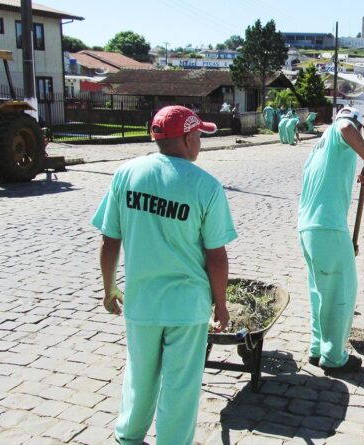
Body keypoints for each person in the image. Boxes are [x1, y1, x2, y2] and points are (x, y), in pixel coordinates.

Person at [92, 105, 237, 445]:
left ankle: (128, 437)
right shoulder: (206, 186)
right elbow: (216, 256)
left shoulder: (126, 174)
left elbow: (110, 240)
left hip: (140, 303)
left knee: (139, 375)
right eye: (199, 135)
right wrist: (221, 305)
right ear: (187, 138)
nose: (200, 141)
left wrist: (109, 288)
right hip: (186, 307)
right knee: (181, 385)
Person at [298, 106, 364, 373]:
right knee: (341, 291)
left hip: (309, 228)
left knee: (320, 291)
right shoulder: (340, 130)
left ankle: (318, 347)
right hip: (327, 226)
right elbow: (346, 128)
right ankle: (333, 356)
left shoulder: (319, 147)